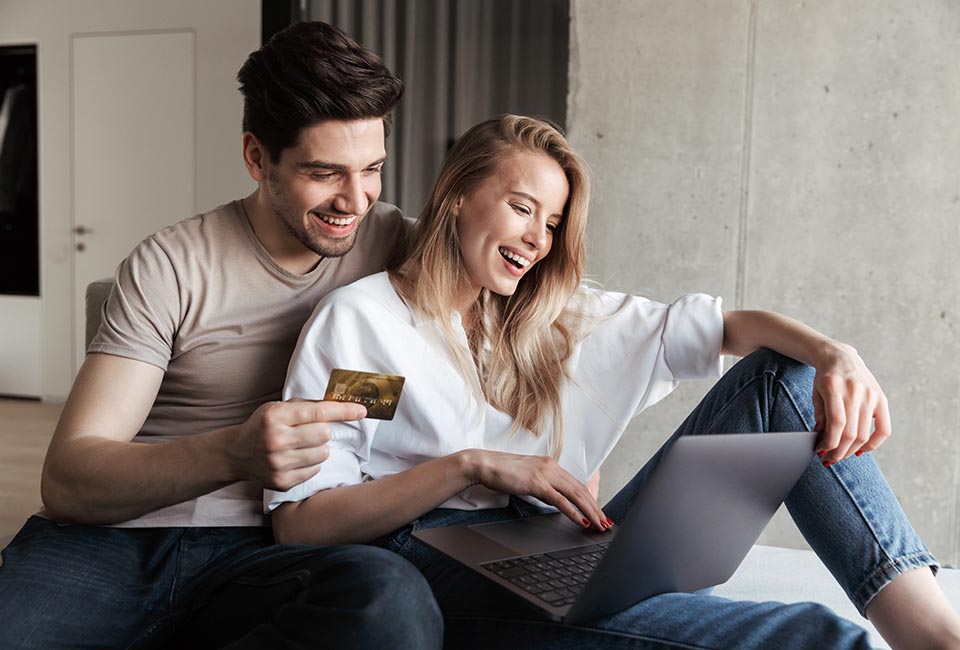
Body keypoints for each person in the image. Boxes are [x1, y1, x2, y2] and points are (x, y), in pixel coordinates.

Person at [267, 114, 960, 649]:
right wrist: (470, 468)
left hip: (550, 543)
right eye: (521, 207)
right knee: (809, 637)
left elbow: (729, 331)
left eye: (553, 221)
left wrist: (838, 353)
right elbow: (302, 521)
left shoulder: (549, 317)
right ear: (456, 197)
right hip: (429, 560)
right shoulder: (371, 330)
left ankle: (932, 633)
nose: (539, 238)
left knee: (789, 378)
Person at [0, 21, 443, 650]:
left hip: (266, 551)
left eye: (372, 169)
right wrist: (233, 453)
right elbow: (69, 479)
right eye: (325, 174)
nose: (356, 199)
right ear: (257, 157)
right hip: (118, 543)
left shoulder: (398, 245)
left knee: (390, 604)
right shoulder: (171, 265)